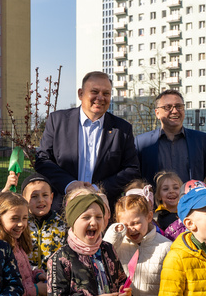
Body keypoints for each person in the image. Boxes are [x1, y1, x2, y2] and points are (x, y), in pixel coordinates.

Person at [34, 71, 140, 209]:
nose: (100, 97)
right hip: (61, 209)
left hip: (103, 210)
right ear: (80, 94)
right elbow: (42, 160)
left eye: (106, 93)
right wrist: (69, 184)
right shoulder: (57, 121)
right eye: (94, 91)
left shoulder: (122, 129)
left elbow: (131, 169)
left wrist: (98, 189)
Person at [135, 90, 206, 186]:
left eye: (179, 106)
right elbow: (136, 179)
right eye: (168, 107)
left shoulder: (202, 140)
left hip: (192, 200)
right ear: (157, 113)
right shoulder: (141, 143)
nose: (174, 111)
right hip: (156, 200)